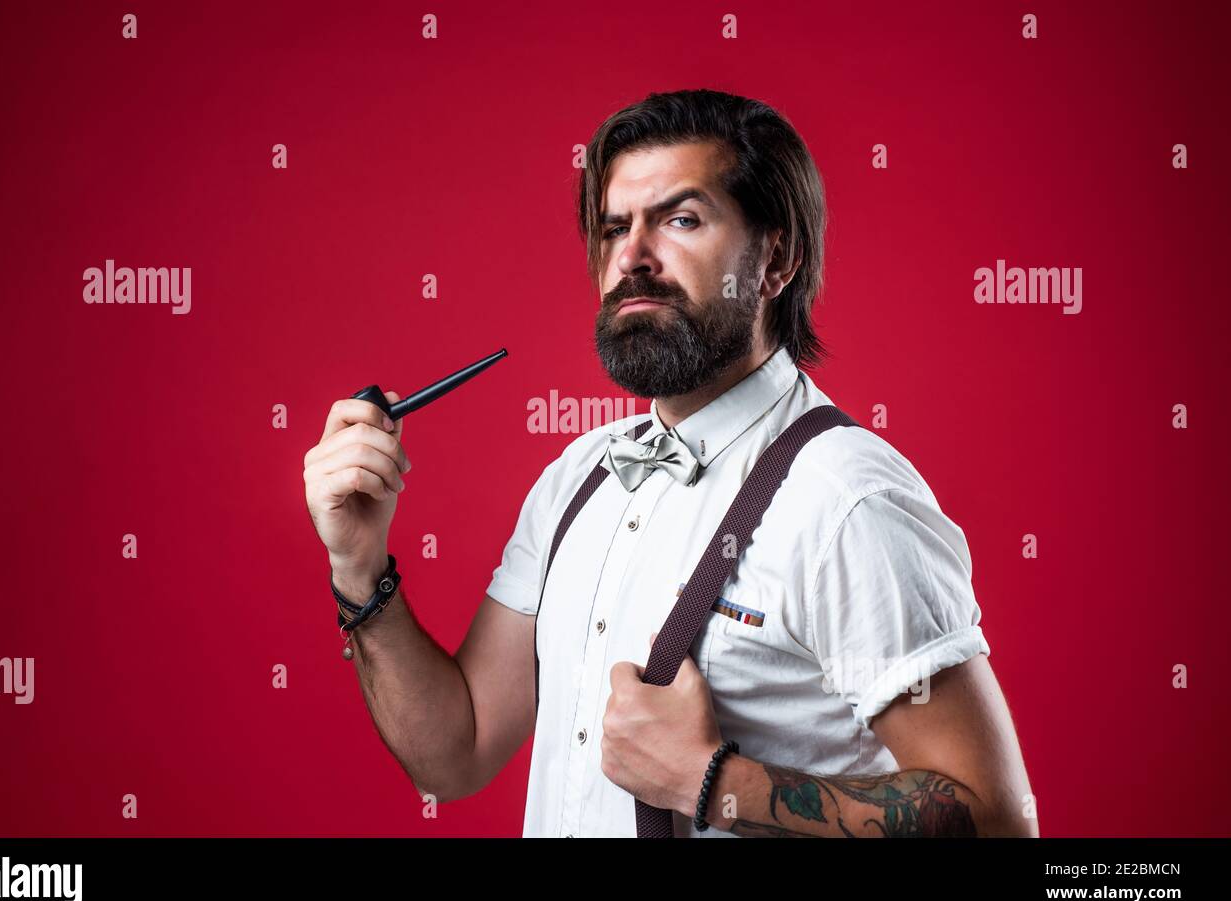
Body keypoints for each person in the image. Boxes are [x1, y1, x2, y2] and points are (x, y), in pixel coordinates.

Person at [302, 89, 1036, 838]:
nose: (631, 257)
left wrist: (711, 780)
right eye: (615, 226)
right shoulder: (579, 476)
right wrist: (360, 567)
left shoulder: (845, 498)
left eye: (680, 219)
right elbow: (454, 752)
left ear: (774, 260)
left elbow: (1001, 818)